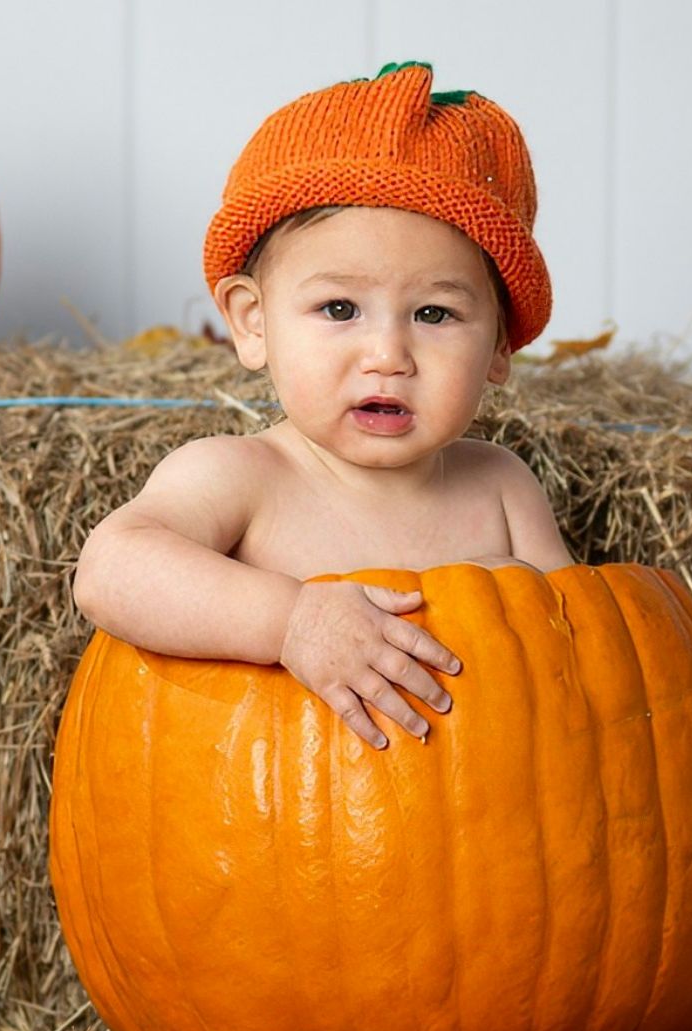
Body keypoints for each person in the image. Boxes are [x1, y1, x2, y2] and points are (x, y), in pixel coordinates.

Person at [72, 61, 573, 751]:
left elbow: (582, 660)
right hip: (273, 829)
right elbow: (111, 571)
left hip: (482, 831)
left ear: (498, 347)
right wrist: (288, 622)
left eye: (435, 313)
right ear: (252, 323)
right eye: (340, 308)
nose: (388, 354)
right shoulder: (241, 477)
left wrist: (516, 596)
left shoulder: (501, 489)